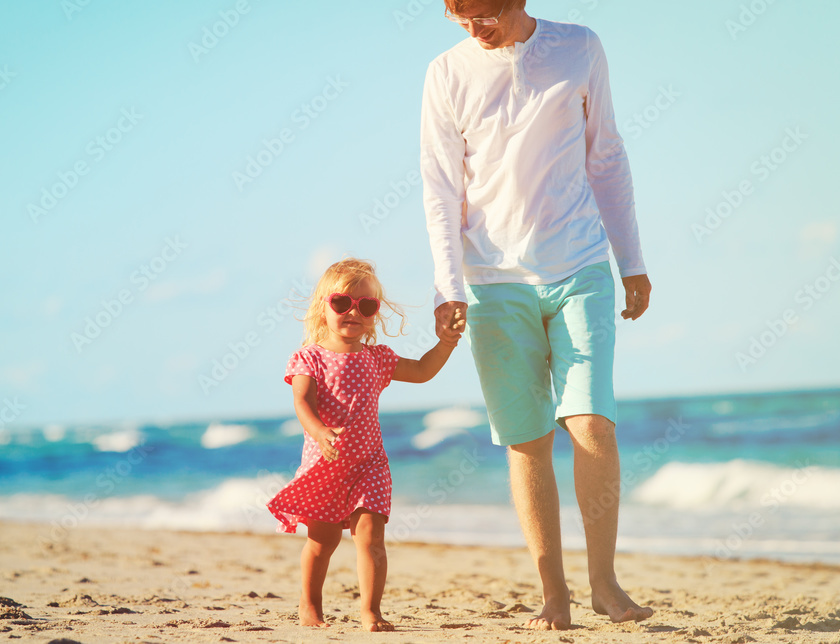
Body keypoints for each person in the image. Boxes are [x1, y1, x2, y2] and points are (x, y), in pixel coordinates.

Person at [420, 0, 655, 631]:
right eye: (458, 15)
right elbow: (441, 187)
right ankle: (555, 593)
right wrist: (448, 287)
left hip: (580, 266)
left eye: (484, 12)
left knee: (592, 426)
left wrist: (631, 259)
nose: (474, 27)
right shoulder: (447, 72)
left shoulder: (580, 47)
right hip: (492, 282)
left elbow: (605, 155)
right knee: (526, 442)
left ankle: (603, 582)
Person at [267, 258, 464, 631]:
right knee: (322, 545)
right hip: (325, 466)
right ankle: (310, 606)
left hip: (369, 465)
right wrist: (321, 431)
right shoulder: (310, 357)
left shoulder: (377, 358)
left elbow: (422, 372)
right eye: (342, 303)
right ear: (322, 306)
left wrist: (446, 342)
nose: (353, 312)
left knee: (372, 540)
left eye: (367, 306)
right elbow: (302, 402)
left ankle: (371, 612)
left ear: (375, 313)